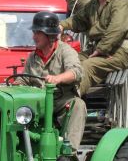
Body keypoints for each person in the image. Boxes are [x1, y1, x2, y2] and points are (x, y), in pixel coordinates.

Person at [59, 0, 128, 95]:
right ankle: (57, 95)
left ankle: (72, 99)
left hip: (119, 52)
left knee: (88, 66)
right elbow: (78, 20)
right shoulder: (93, 3)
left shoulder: (120, 2)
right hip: (99, 50)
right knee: (69, 60)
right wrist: (61, 26)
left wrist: (101, 49)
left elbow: (117, 29)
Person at [18, 12, 86, 149]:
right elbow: (24, 79)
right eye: (34, 32)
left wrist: (58, 78)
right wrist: (15, 84)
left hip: (60, 101)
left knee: (78, 105)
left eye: (38, 33)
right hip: (38, 104)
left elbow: (77, 72)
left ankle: (69, 152)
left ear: (50, 36)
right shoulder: (33, 56)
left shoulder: (66, 51)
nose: (34, 36)